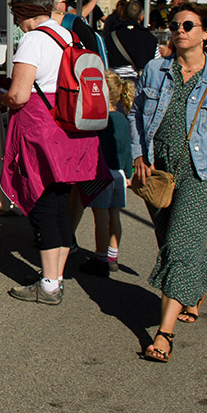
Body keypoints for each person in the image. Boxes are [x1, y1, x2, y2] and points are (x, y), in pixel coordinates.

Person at [130, 2, 207, 361]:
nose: (180, 30)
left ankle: (164, 334)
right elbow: (136, 113)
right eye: (175, 25)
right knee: (171, 240)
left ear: (205, 33)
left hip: (202, 173)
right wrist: (138, 155)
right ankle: (197, 284)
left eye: (188, 25)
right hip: (158, 171)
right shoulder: (154, 70)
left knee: (181, 246)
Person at [0, 0, 103, 305]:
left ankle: (50, 284)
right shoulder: (66, 35)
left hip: (41, 134)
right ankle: (52, 277)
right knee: (58, 205)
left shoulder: (32, 40)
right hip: (69, 130)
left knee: (42, 206)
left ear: (24, 13)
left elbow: (19, 94)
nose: (16, 23)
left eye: (16, 15)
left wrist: (3, 97)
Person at [76, 71, 132, 275]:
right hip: (119, 173)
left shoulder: (100, 120)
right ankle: (112, 255)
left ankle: (100, 259)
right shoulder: (123, 119)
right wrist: (128, 172)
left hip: (101, 173)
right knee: (114, 215)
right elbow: (127, 148)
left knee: (99, 217)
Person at [102, 0, 157, 91]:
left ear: (122, 14)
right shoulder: (151, 38)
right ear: (142, 16)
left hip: (115, 84)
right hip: (140, 85)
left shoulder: (111, 36)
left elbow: (105, 60)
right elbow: (155, 64)